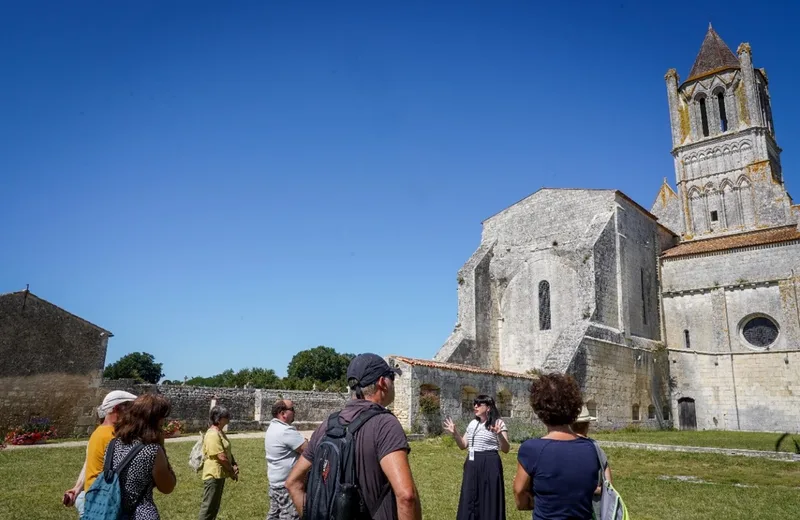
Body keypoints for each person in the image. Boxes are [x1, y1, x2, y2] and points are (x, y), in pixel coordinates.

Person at [285, 353, 422, 520]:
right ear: (382, 383)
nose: (393, 383)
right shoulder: (385, 424)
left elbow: (292, 482)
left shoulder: (328, 424)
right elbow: (406, 496)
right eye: (391, 377)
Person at [513, 373, 601, 519]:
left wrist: (534, 500)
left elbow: (519, 494)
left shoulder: (532, 449)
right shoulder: (591, 448)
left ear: (539, 409)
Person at [63, 390, 137, 517]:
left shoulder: (97, 433)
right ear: (116, 409)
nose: (133, 414)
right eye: (130, 409)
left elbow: (89, 463)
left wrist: (77, 488)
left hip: (91, 496)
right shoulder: (113, 436)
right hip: (103, 501)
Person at [109, 393, 177, 519]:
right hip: (141, 514)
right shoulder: (151, 451)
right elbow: (167, 487)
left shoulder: (113, 444)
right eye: (162, 417)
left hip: (112, 511)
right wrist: (162, 447)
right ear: (154, 419)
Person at [443, 395, 510, 520]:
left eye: (479, 404)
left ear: (488, 407)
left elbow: (506, 449)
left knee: (489, 495)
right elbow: (463, 445)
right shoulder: (472, 423)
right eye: (475, 404)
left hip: (490, 462)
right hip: (472, 462)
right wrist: (455, 433)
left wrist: (499, 434)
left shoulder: (498, 423)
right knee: (470, 494)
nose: (475, 406)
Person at [265, 399, 307, 520]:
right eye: (292, 409)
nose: (294, 412)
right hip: (286, 484)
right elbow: (306, 449)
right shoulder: (285, 431)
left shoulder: (273, 427)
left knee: (274, 515)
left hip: (275, 482)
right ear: (283, 413)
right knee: (290, 516)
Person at [571, 405, 613, 519]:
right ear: (588, 425)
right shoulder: (597, 449)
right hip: (594, 509)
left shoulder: (562, 448)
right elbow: (609, 486)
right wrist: (596, 489)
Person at [198, 405, 239, 520]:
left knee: (214, 507)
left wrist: (234, 463)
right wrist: (231, 471)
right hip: (213, 475)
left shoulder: (219, 432)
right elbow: (221, 456)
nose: (229, 419)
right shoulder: (212, 434)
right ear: (219, 419)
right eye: (226, 416)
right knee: (208, 507)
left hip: (219, 474)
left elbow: (226, 450)